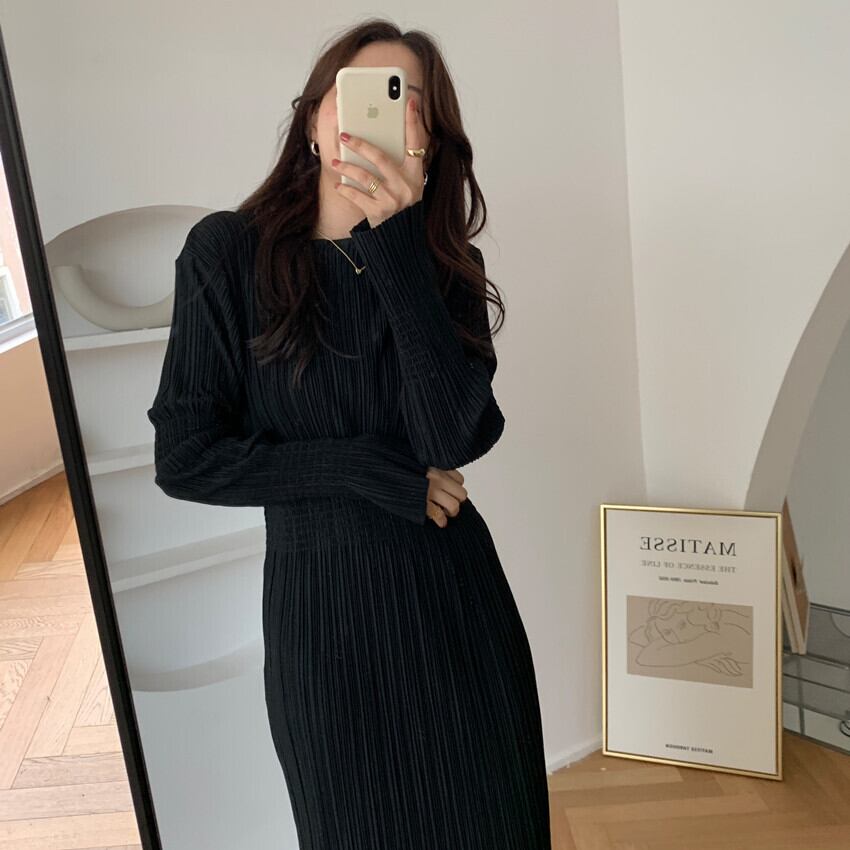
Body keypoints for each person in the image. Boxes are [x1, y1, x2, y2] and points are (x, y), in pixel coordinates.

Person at [147, 17, 552, 849]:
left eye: (408, 105)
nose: (377, 119)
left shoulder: (445, 269)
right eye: (360, 93)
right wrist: (365, 470)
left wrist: (396, 245)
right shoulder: (227, 255)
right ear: (313, 119)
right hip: (324, 625)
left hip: (454, 607)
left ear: (428, 146)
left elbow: (452, 435)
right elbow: (186, 457)